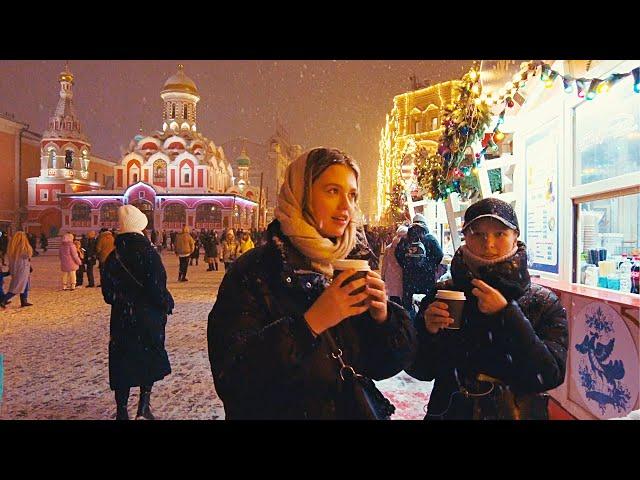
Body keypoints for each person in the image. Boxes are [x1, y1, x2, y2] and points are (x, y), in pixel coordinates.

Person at [207, 147, 417, 419]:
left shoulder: (350, 263)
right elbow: (233, 379)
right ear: (301, 194)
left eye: (352, 195)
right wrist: (310, 324)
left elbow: (378, 366)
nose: (346, 206)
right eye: (332, 191)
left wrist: (383, 320)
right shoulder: (255, 272)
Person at [406, 198, 568, 420]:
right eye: (477, 234)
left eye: (499, 233)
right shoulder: (444, 294)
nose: (488, 243)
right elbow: (420, 370)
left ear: (515, 236)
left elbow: (549, 375)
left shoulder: (542, 301)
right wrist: (427, 331)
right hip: (450, 412)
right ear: (465, 237)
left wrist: (508, 315)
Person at [101, 205, 174, 420]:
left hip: (122, 319)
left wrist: (124, 302)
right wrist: (164, 303)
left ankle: (122, 410)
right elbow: (157, 287)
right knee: (147, 358)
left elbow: (108, 294)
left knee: (122, 361)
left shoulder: (113, 257)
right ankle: (143, 407)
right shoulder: (148, 253)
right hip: (148, 317)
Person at [395, 214, 444, 314]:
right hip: (427, 279)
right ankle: (423, 324)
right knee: (426, 304)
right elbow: (440, 255)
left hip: (409, 278)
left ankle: (410, 325)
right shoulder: (430, 239)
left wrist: (406, 265)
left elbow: (398, 254)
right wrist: (430, 265)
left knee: (409, 307)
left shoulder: (406, 239)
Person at [1, 231, 33, 308]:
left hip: (16, 269)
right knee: (17, 287)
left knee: (24, 285)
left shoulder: (12, 248)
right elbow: (29, 254)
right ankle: (3, 300)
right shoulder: (23, 248)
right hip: (22, 270)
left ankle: (24, 300)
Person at [381, 225, 408, 306]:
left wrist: (383, 276)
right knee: (403, 301)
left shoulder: (389, 247)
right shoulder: (406, 247)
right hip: (402, 278)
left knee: (393, 301)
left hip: (391, 277)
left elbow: (384, 264)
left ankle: (395, 315)